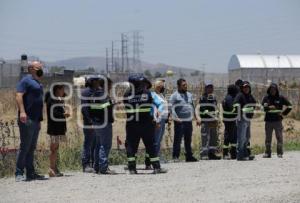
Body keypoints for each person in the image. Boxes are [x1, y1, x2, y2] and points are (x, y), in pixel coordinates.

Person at [123, 74, 167, 174]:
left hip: (132, 125)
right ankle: (156, 167)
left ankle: (132, 169)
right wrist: (156, 119)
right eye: (142, 83)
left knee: (131, 146)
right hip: (146, 124)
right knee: (151, 145)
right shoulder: (147, 93)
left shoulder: (126, 95)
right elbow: (152, 106)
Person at [15, 61, 46, 181]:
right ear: (31, 69)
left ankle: (30, 173)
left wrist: (39, 119)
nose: (41, 69)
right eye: (39, 67)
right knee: (25, 147)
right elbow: (18, 95)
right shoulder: (25, 80)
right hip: (27, 118)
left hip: (36, 119)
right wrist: (22, 112)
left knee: (31, 147)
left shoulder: (36, 81)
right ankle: (19, 173)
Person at [169, 78, 199, 162]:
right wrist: (175, 117)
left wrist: (196, 117)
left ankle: (189, 156)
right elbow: (171, 107)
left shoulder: (189, 95)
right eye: (183, 85)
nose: (186, 86)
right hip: (180, 121)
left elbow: (193, 106)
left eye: (186, 85)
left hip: (188, 121)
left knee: (188, 139)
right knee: (178, 139)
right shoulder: (174, 95)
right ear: (178, 86)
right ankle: (175, 156)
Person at [92, 77, 116, 174]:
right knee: (105, 145)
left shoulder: (94, 94)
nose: (111, 87)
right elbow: (103, 106)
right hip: (104, 123)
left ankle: (96, 166)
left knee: (98, 145)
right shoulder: (103, 94)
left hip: (96, 122)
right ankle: (103, 167)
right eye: (110, 85)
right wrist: (113, 102)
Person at [262, 83, 292, 158]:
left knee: (279, 137)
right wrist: (270, 108)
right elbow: (264, 108)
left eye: (274, 89)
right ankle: (267, 153)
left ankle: (279, 153)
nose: (273, 91)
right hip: (268, 121)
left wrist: (283, 113)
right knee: (268, 138)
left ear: (276, 90)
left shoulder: (280, 98)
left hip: (277, 121)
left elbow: (290, 106)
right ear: (269, 90)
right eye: (271, 89)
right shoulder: (266, 98)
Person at [45, 84, 70, 177]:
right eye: (62, 89)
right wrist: (64, 114)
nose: (63, 91)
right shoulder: (51, 100)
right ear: (57, 90)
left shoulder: (59, 99)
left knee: (56, 148)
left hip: (60, 127)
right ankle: (51, 169)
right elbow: (53, 113)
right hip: (54, 128)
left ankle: (55, 168)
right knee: (53, 149)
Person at [81, 76, 100, 173]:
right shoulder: (86, 92)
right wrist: (90, 122)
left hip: (97, 122)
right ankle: (86, 164)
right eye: (96, 81)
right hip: (89, 123)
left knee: (95, 143)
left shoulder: (96, 91)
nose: (98, 83)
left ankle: (93, 163)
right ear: (92, 82)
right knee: (88, 144)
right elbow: (85, 109)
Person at [233, 81, 256, 161]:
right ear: (242, 88)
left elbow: (254, 103)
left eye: (247, 87)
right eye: (244, 87)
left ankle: (245, 154)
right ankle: (240, 155)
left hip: (247, 119)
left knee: (247, 137)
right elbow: (235, 104)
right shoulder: (240, 95)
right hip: (241, 119)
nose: (246, 89)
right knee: (241, 138)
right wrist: (244, 109)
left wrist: (251, 109)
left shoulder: (249, 96)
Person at [199, 82, 221, 160]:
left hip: (213, 120)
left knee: (213, 137)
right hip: (205, 120)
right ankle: (204, 154)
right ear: (205, 88)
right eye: (209, 87)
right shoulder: (203, 98)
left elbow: (215, 107)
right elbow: (204, 110)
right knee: (205, 137)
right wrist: (213, 115)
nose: (210, 89)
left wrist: (217, 114)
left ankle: (212, 153)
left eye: (211, 87)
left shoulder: (213, 97)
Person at [151, 79, 169, 162]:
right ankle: (155, 158)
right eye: (162, 86)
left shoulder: (161, 95)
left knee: (159, 139)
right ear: (158, 86)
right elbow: (154, 109)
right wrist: (156, 120)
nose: (164, 87)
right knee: (156, 139)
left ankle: (157, 156)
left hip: (163, 120)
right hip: (158, 120)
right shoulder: (153, 95)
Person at [222, 84, 239, 159]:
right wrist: (239, 108)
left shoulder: (229, 97)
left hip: (231, 119)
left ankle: (233, 153)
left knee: (233, 136)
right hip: (230, 120)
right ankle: (225, 153)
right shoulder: (229, 98)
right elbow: (232, 108)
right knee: (228, 136)